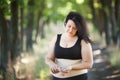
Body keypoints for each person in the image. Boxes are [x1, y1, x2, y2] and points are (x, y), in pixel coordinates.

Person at [45, 11, 93, 80]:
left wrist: (71, 67)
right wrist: (53, 65)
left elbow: (89, 63)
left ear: (79, 28)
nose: (70, 30)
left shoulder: (83, 41)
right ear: (65, 23)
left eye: (74, 28)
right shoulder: (56, 38)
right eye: (69, 26)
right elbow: (48, 58)